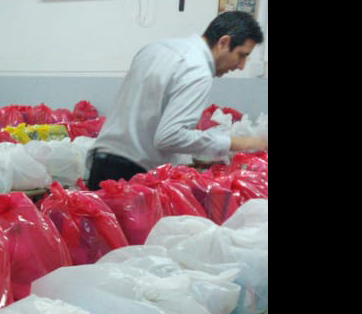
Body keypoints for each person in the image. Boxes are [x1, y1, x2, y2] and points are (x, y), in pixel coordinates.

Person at [86, 11, 266, 190]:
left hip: (101, 161)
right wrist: (237, 143)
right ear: (223, 42)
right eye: (241, 55)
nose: (241, 66)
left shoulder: (155, 49)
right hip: (131, 175)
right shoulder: (197, 70)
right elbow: (169, 137)